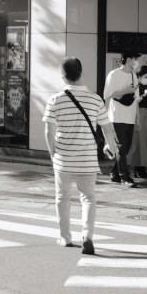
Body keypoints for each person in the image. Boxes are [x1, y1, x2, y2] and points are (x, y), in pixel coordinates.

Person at [43, 56, 118, 255]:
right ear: (81, 74)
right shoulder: (95, 100)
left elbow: (49, 132)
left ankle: (65, 237)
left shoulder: (55, 100)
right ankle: (87, 236)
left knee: (62, 198)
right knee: (89, 198)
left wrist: (53, 155)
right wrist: (111, 148)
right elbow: (107, 129)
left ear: (63, 77)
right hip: (87, 161)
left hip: (63, 160)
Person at [103, 50, 140, 187]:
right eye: (135, 59)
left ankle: (114, 173)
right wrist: (125, 91)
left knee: (126, 147)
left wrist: (137, 119)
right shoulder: (114, 74)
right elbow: (106, 94)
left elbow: (135, 98)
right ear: (129, 60)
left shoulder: (133, 76)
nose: (137, 62)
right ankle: (125, 176)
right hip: (116, 115)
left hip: (129, 116)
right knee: (121, 146)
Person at [127, 64, 147, 178]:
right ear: (139, 76)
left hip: (144, 114)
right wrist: (144, 94)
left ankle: (141, 168)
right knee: (139, 141)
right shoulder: (135, 86)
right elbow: (135, 101)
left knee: (145, 141)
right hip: (137, 114)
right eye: (145, 76)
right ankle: (138, 168)